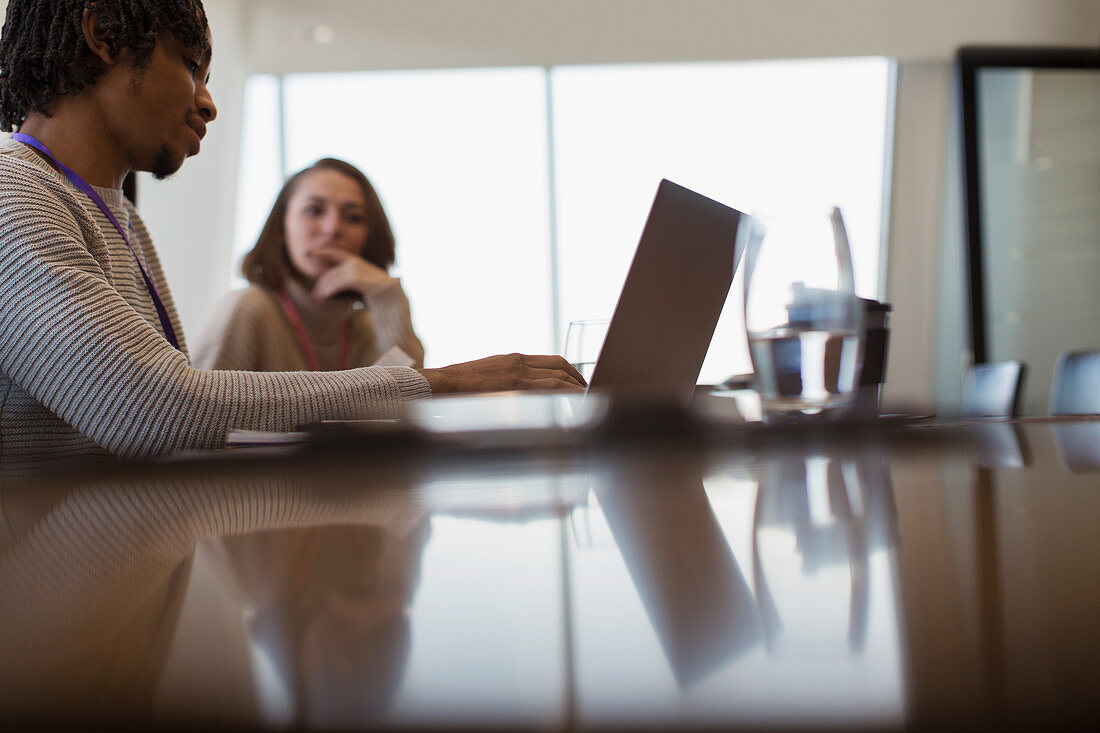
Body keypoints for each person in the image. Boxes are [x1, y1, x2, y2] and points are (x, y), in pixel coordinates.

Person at [0, 0, 583, 462]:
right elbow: (151, 408)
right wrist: (442, 385)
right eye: (190, 65)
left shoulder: (119, 218)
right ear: (103, 35)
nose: (208, 103)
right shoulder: (13, 194)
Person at [194, 158, 425, 373]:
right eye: (314, 210)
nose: (332, 228)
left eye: (353, 217)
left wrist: (388, 295)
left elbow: (410, 399)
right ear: (282, 228)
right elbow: (194, 413)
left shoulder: (364, 327)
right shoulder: (248, 309)